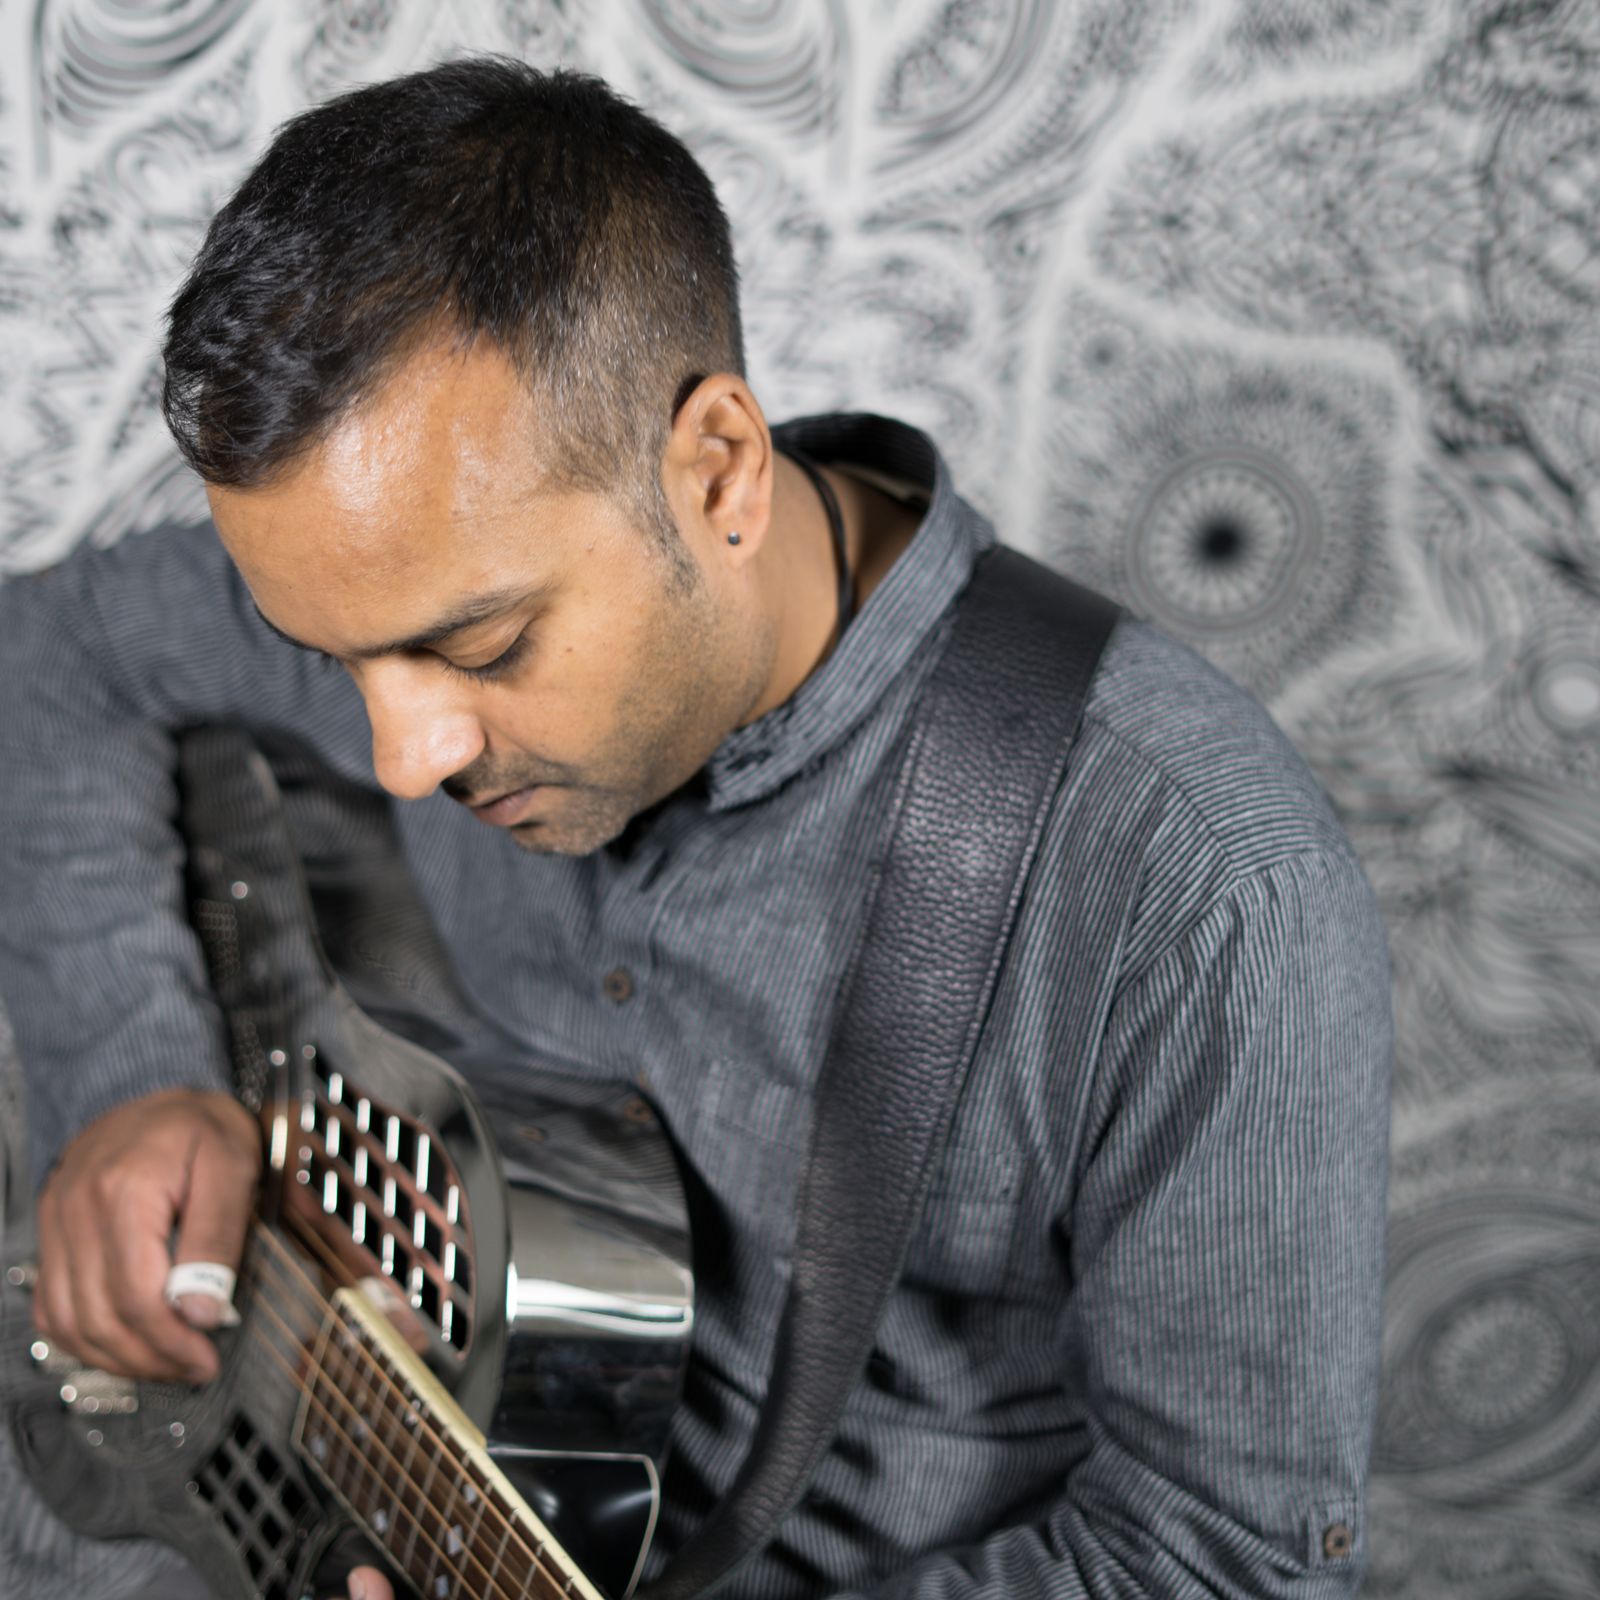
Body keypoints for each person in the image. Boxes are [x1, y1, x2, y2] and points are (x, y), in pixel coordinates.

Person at [0, 57, 1392, 1600]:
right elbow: (47, 655)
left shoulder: (1202, 886)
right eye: (334, 665)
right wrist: (134, 1079)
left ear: (719, 471)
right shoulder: (402, 561)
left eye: (482, 648)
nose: (404, 755)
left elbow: (1225, 1564)